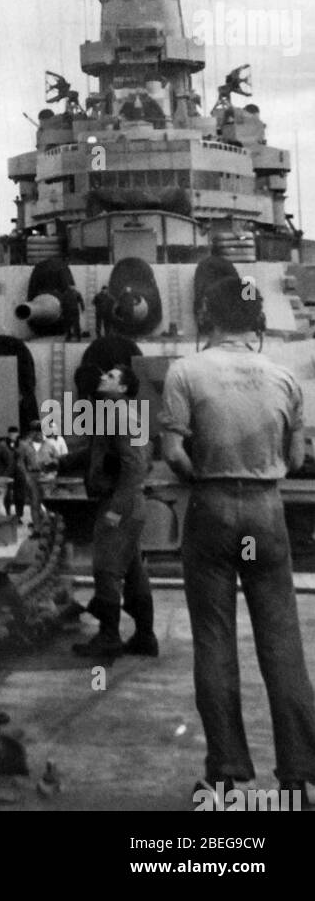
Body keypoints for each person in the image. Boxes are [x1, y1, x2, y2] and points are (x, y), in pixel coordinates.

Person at [159, 276, 315, 801]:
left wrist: (200, 475)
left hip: (212, 508)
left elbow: (174, 454)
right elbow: (296, 460)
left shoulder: (186, 371)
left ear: (208, 316)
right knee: (282, 644)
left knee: (215, 639)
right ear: (258, 324)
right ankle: (300, 772)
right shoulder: (284, 376)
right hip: (267, 512)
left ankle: (227, 770)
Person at [71, 362, 156, 660]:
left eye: (109, 375)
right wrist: (65, 462)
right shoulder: (116, 414)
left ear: (122, 388)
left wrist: (116, 512)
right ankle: (145, 636)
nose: (102, 375)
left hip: (121, 502)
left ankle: (108, 637)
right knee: (132, 571)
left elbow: (134, 466)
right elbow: (103, 453)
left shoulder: (120, 415)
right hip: (128, 502)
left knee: (106, 568)